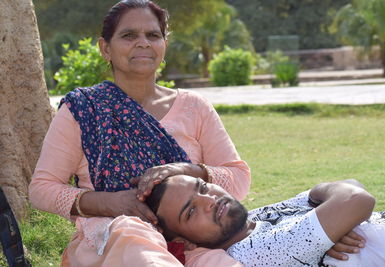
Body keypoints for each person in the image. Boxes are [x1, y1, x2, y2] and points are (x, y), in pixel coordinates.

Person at [29, 1, 251, 266]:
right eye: (129, 35)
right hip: (117, 241)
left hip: (193, 242)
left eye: (153, 35)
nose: (143, 43)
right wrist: (110, 204)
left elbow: (239, 178)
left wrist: (186, 170)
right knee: (135, 236)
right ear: (105, 48)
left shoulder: (194, 107)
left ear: (164, 45)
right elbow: (41, 189)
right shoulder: (83, 110)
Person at [146, 175, 385, 267]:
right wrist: (336, 210)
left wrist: (342, 220)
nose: (209, 200)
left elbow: (349, 186)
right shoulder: (254, 252)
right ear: (184, 242)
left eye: (202, 187)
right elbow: (357, 199)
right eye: (191, 211)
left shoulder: (255, 218)